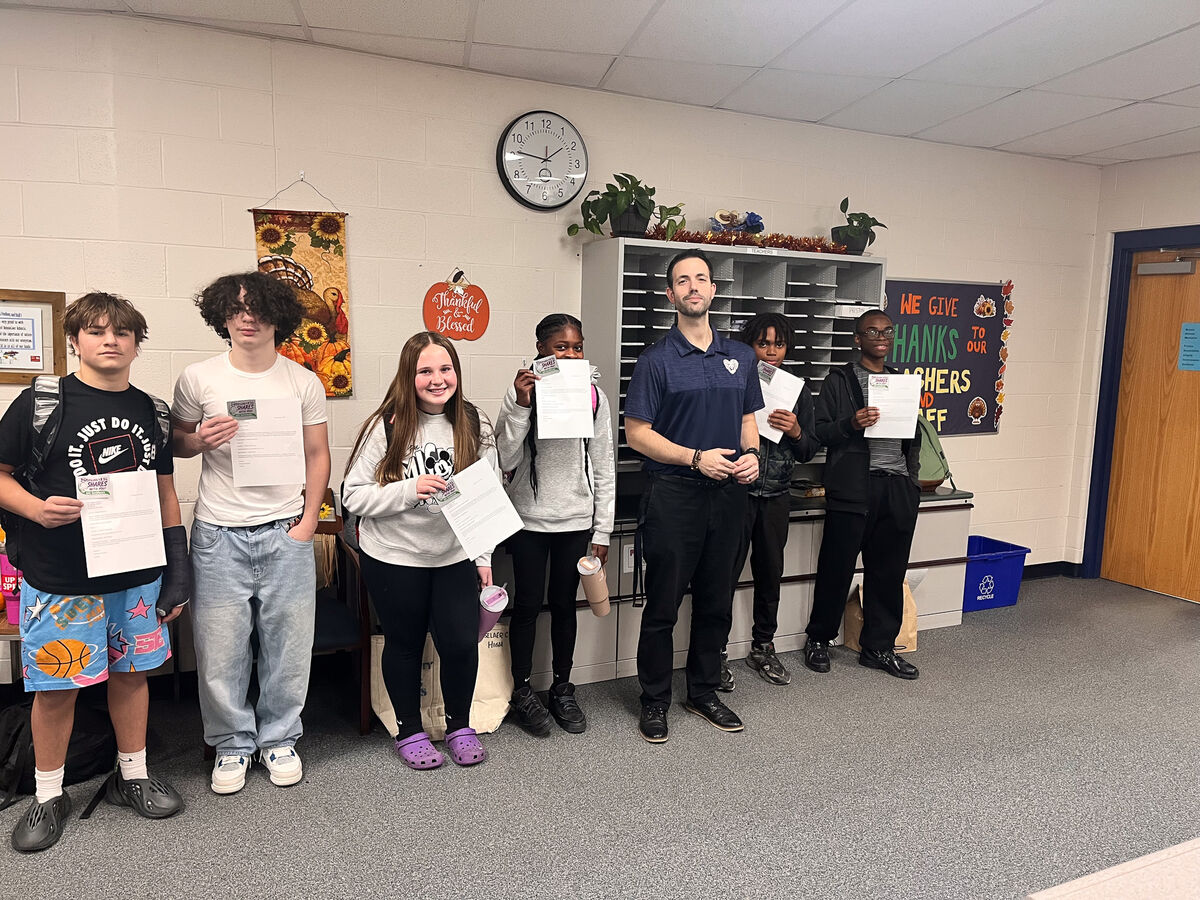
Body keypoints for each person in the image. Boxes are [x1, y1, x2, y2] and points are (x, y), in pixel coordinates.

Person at [0, 292, 186, 853]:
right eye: (97, 330)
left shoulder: (152, 411)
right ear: (75, 340)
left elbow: (165, 491)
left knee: (132, 676)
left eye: (123, 332)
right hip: (60, 578)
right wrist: (35, 509)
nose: (111, 339)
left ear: (136, 344)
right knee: (57, 689)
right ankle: (48, 794)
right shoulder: (40, 402)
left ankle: (133, 776)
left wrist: (176, 571)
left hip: (134, 577)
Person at [172, 272, 330, 794]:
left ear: (278, 317)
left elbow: (317, 455)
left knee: (289, 644)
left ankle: (280, 738)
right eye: (236, 308)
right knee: (220, 648)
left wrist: (307, 524)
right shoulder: (199, 378)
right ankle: (232, 745)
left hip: (286, 530)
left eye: (258, 307)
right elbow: (174, 446)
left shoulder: (303, 382)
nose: (247, 316)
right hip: (219, 533)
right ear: (221, 315)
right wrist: (196, 441)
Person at [624, 249, 762, 743]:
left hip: (728, 497)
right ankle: (654, 699)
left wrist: (752, 455)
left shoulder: (741, 357)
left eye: (701, 278)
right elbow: (636, 433)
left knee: (716, 601)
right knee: (662, 605)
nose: (693, 287)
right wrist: (693, 457)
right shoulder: (656, 361)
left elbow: (749, 419)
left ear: (713, 290)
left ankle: (703, 691)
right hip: (674, 495)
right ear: (671, 295)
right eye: (683, 281)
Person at [342, 331, 498, 769]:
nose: (436, 379)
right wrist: (409, 490)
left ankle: (460, 726)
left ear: (457, 373)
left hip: (453, 555)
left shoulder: (475, 422)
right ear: (408, 376)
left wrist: (483, 558)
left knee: (462, 643)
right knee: (405, 643)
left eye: (445, 369)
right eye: (425, 371)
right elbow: (352, 496)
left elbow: (487, 495)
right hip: (394, 555)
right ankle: (409, 730)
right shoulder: (387, 424)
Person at [495, 313, 616, 736]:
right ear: (541, 349)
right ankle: (522, 691)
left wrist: (602, 530)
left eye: (577, 347)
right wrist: (520, 406)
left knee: (565, 605)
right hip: (529, 520)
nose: (570, 353)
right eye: (560, 347)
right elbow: (504, 461)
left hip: (576, 521)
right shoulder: (520, 394)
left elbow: (604, 465)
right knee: (527, 606)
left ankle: (563, 687)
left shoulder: (595, 396)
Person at [804, 309, 922, 680]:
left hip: (897, 486)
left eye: (887, 331)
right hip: (854, 489)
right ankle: (819, 639)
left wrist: (911, 482)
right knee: (836, 568)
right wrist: (851, 423)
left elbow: (914, 439)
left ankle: (879, 647)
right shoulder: (840, 380)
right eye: (872, 331)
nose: (881, 337)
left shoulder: (903, 382)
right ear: (858, 339)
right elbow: (820, 432)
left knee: (888, 572)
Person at [719, 314, 819, 690]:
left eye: (779, 344)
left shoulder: (797, 391)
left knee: (770, 574)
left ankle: (763, 645)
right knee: (723, 575)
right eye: (764, 343)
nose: (772, 351)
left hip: (776, 496)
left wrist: (794, 430)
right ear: (750, 346)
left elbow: (809, 448)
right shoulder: (733, 381)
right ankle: (716, 652)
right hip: (735, 493)